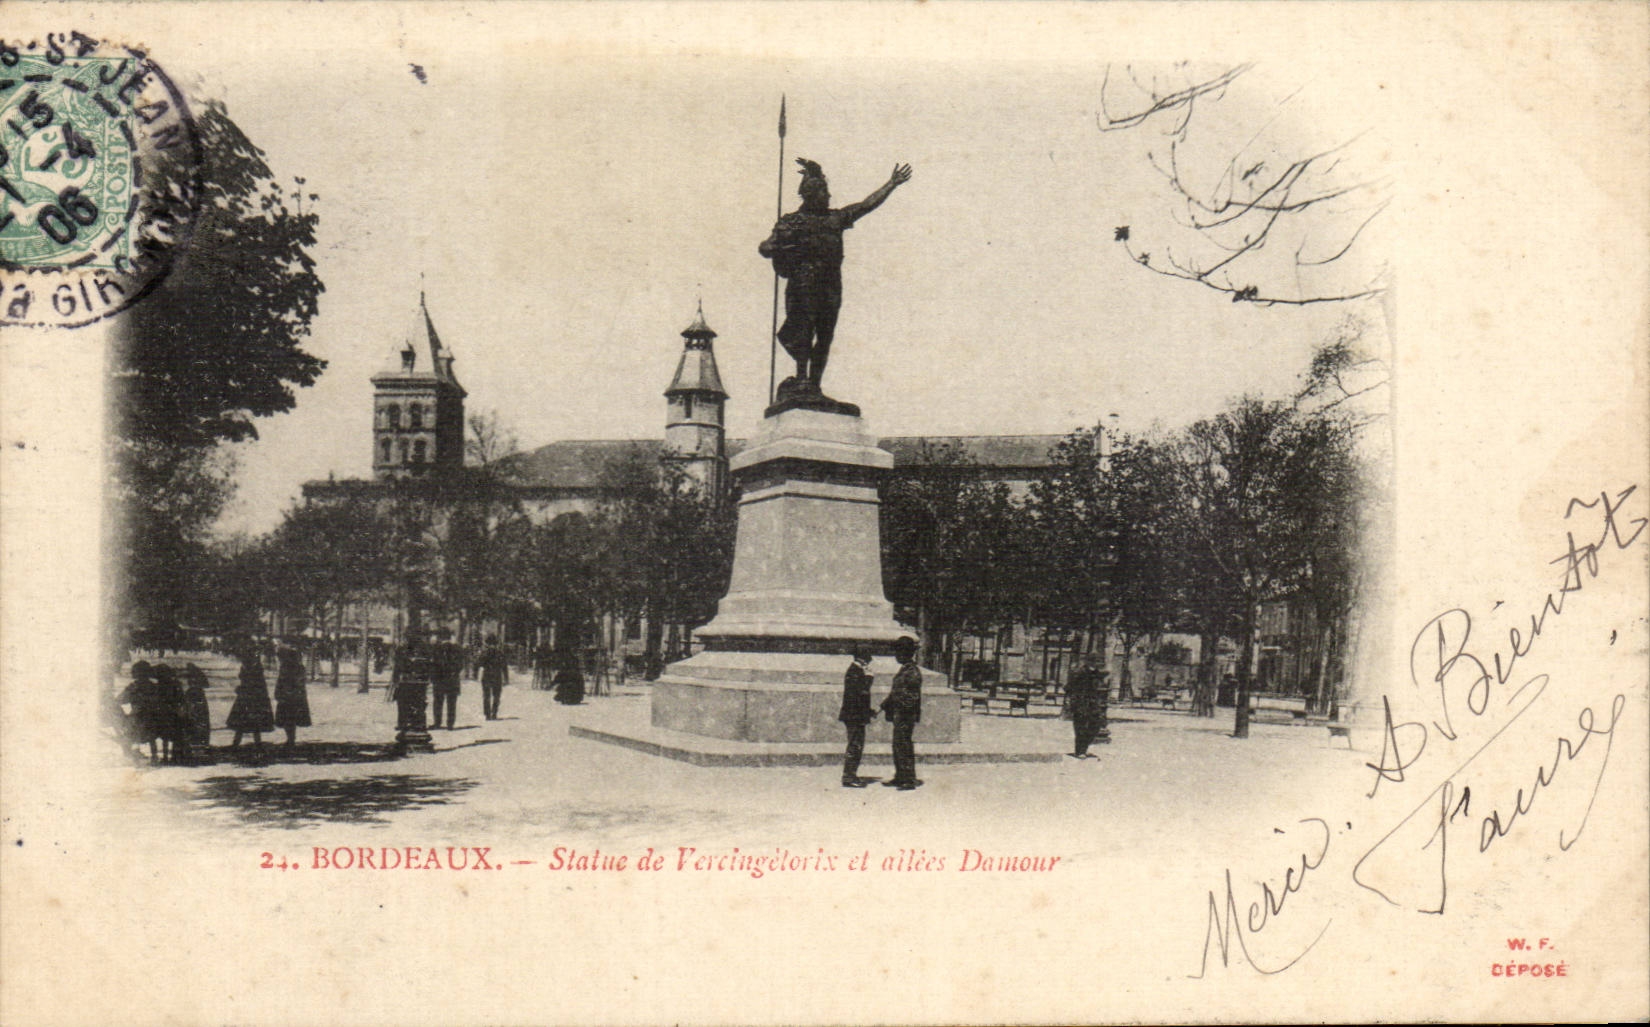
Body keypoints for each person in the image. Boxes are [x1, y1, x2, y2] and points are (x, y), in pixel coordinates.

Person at [759, 159, 912, 401]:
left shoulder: (835, 219)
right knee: (803, 332)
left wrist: (891, 184)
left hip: (830, 287)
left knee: (825, 335)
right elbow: (766, 247)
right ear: (811, 195)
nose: (829, 196)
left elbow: (865, 205)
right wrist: (778, 246)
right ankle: (801, 380)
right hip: (803, 284)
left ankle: (814, 385)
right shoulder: (792, 221)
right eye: (824, 192)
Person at [879, 636, 923, 790]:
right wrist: (883, 706)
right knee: (898, 745)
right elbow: (895, 693)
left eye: (898, 652)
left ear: (905, 653)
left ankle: (908, 780)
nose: (896, 656)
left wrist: (900, 706)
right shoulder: (905, 670)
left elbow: (912, 697)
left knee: (904, 745)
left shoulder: (912, 672)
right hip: (899, 714)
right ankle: (900, 776)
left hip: (905, 715)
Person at [838, 650, 876, 787]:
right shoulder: (855, 671)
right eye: (867, 661)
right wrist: (869, 678)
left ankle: (851, 775)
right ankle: (849, 776)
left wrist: (868, 711)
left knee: (856, 745)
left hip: (856, 715)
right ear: (863, 660)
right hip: (854, 716)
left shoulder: (855, 671)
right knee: (855, 746)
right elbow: (862, 693)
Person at [227, 643, 275, 751]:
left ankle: (246, 743)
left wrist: (242, 688)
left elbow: (255, 683)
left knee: (247, 720)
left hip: (251, 696)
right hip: (250, 696)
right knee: (247, 720)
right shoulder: (251, 666)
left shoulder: (254, 667)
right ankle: (246, 743)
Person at [1066, 653, 1106, 759]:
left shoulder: (1097, 674)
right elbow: (1069, 687)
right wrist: (1072, 700)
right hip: (1080, 703)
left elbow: (1100, 687)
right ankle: (1080, 751)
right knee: (1080, 727)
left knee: (1096, 725)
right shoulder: (1079, 672)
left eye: (1097, 662)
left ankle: (1084, 747)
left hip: (1093, 703)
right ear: (1088, 662)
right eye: (1095, 661)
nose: (1096, 664)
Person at [273, 638, 311, 747]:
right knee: (290, 719)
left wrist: (280, 692)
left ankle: (291, 739)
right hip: (294, 696)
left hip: (288, 696)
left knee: (288, 718)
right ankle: (291, 739)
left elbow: (283, 681)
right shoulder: (298, 667)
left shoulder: (287, 667)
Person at [430, 627, 464, 729]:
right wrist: (455, 672)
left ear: (440, 637)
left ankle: (437, 723)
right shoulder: (457, 648)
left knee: (438, 702)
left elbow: (433, 665)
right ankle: (450, 723)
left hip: (439, 679)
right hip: (452, 679)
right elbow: (460, 664)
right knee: (452, 702)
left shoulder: (436, 648)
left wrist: (433, 677)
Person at [181, 662, 213, 753]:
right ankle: (201, 743)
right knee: (199, 721)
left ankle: (195, 742)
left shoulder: (192, 688)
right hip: (198, 701)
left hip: (195, 701)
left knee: (194, 721)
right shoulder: (199, 679)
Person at [478, 634, 509, 720]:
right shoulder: (500, 653)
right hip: (497, 675)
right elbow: (504, 666)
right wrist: (506, 678)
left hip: (487, 675)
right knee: (496, 695)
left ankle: (487, 714)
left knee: (486, 695)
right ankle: (494, 712)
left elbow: (479, 663)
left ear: (487, 643)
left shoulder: (484, 653)